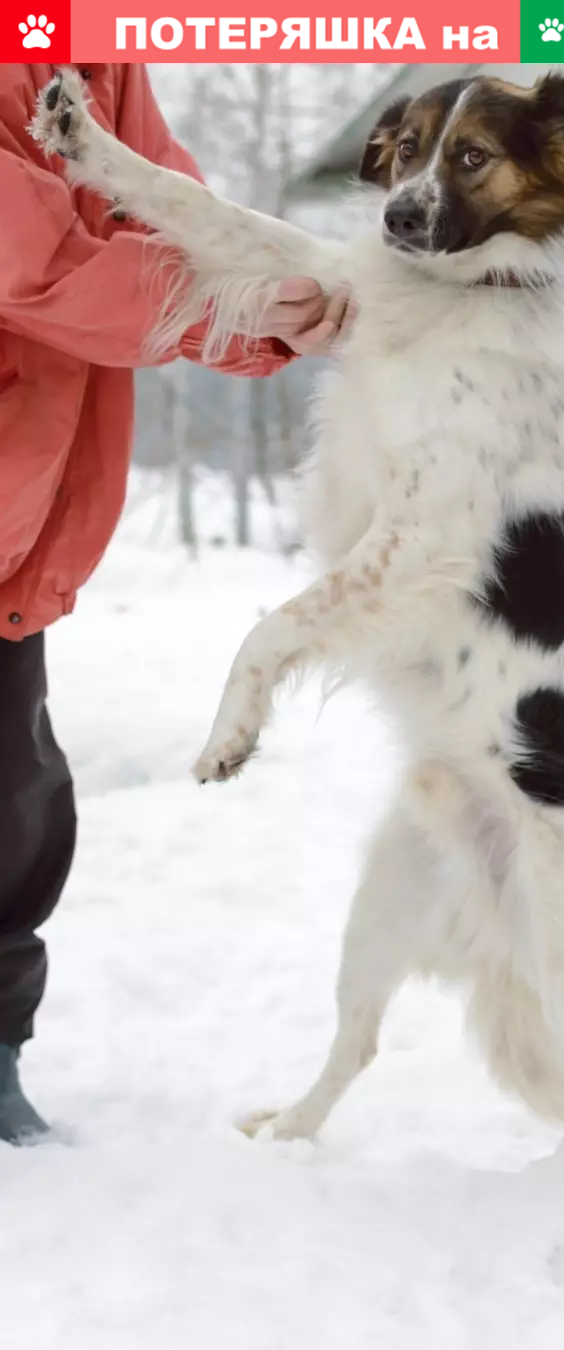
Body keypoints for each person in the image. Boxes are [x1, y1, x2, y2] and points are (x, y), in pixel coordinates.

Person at [0, 62, 348, 1144]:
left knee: (14, 800)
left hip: (25, 510)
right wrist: (238, 303)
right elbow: (36, 260)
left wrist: (277, 301)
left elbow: (169, 202)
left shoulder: (91, 45)